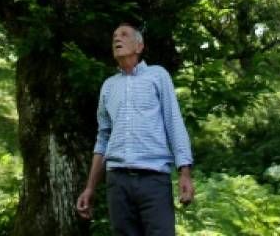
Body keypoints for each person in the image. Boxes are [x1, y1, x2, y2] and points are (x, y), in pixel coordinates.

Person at [75, 23, 195, 235]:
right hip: (117, 182)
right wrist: (90, 188)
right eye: (114, 36)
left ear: (139, 46)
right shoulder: (109, 86)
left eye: (124, 35)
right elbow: (102, 140)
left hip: (154, 179)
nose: (116, 39)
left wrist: (184, 173)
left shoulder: (158, 76)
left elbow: (173, 123)